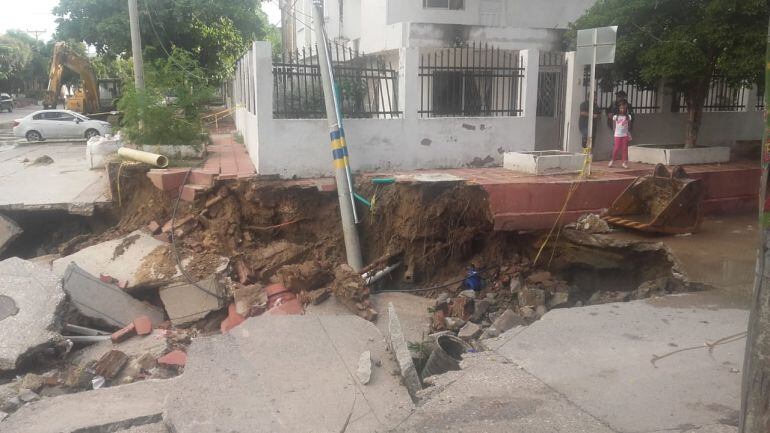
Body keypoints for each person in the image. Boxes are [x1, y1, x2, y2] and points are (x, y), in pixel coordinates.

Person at [609, 102, 632, 168]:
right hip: (617, 135)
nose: (622, 110)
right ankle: (612, 160)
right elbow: (613, 125)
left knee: (624, 149)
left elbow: (629, 125)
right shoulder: (616, 117)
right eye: (621, 108)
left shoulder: (628, 117)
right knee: (616, 148)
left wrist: (628, 133)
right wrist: (615, 131)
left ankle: (624, 162)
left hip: (625, 135)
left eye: (624, 108)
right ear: (618, 108)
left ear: (625, 109)